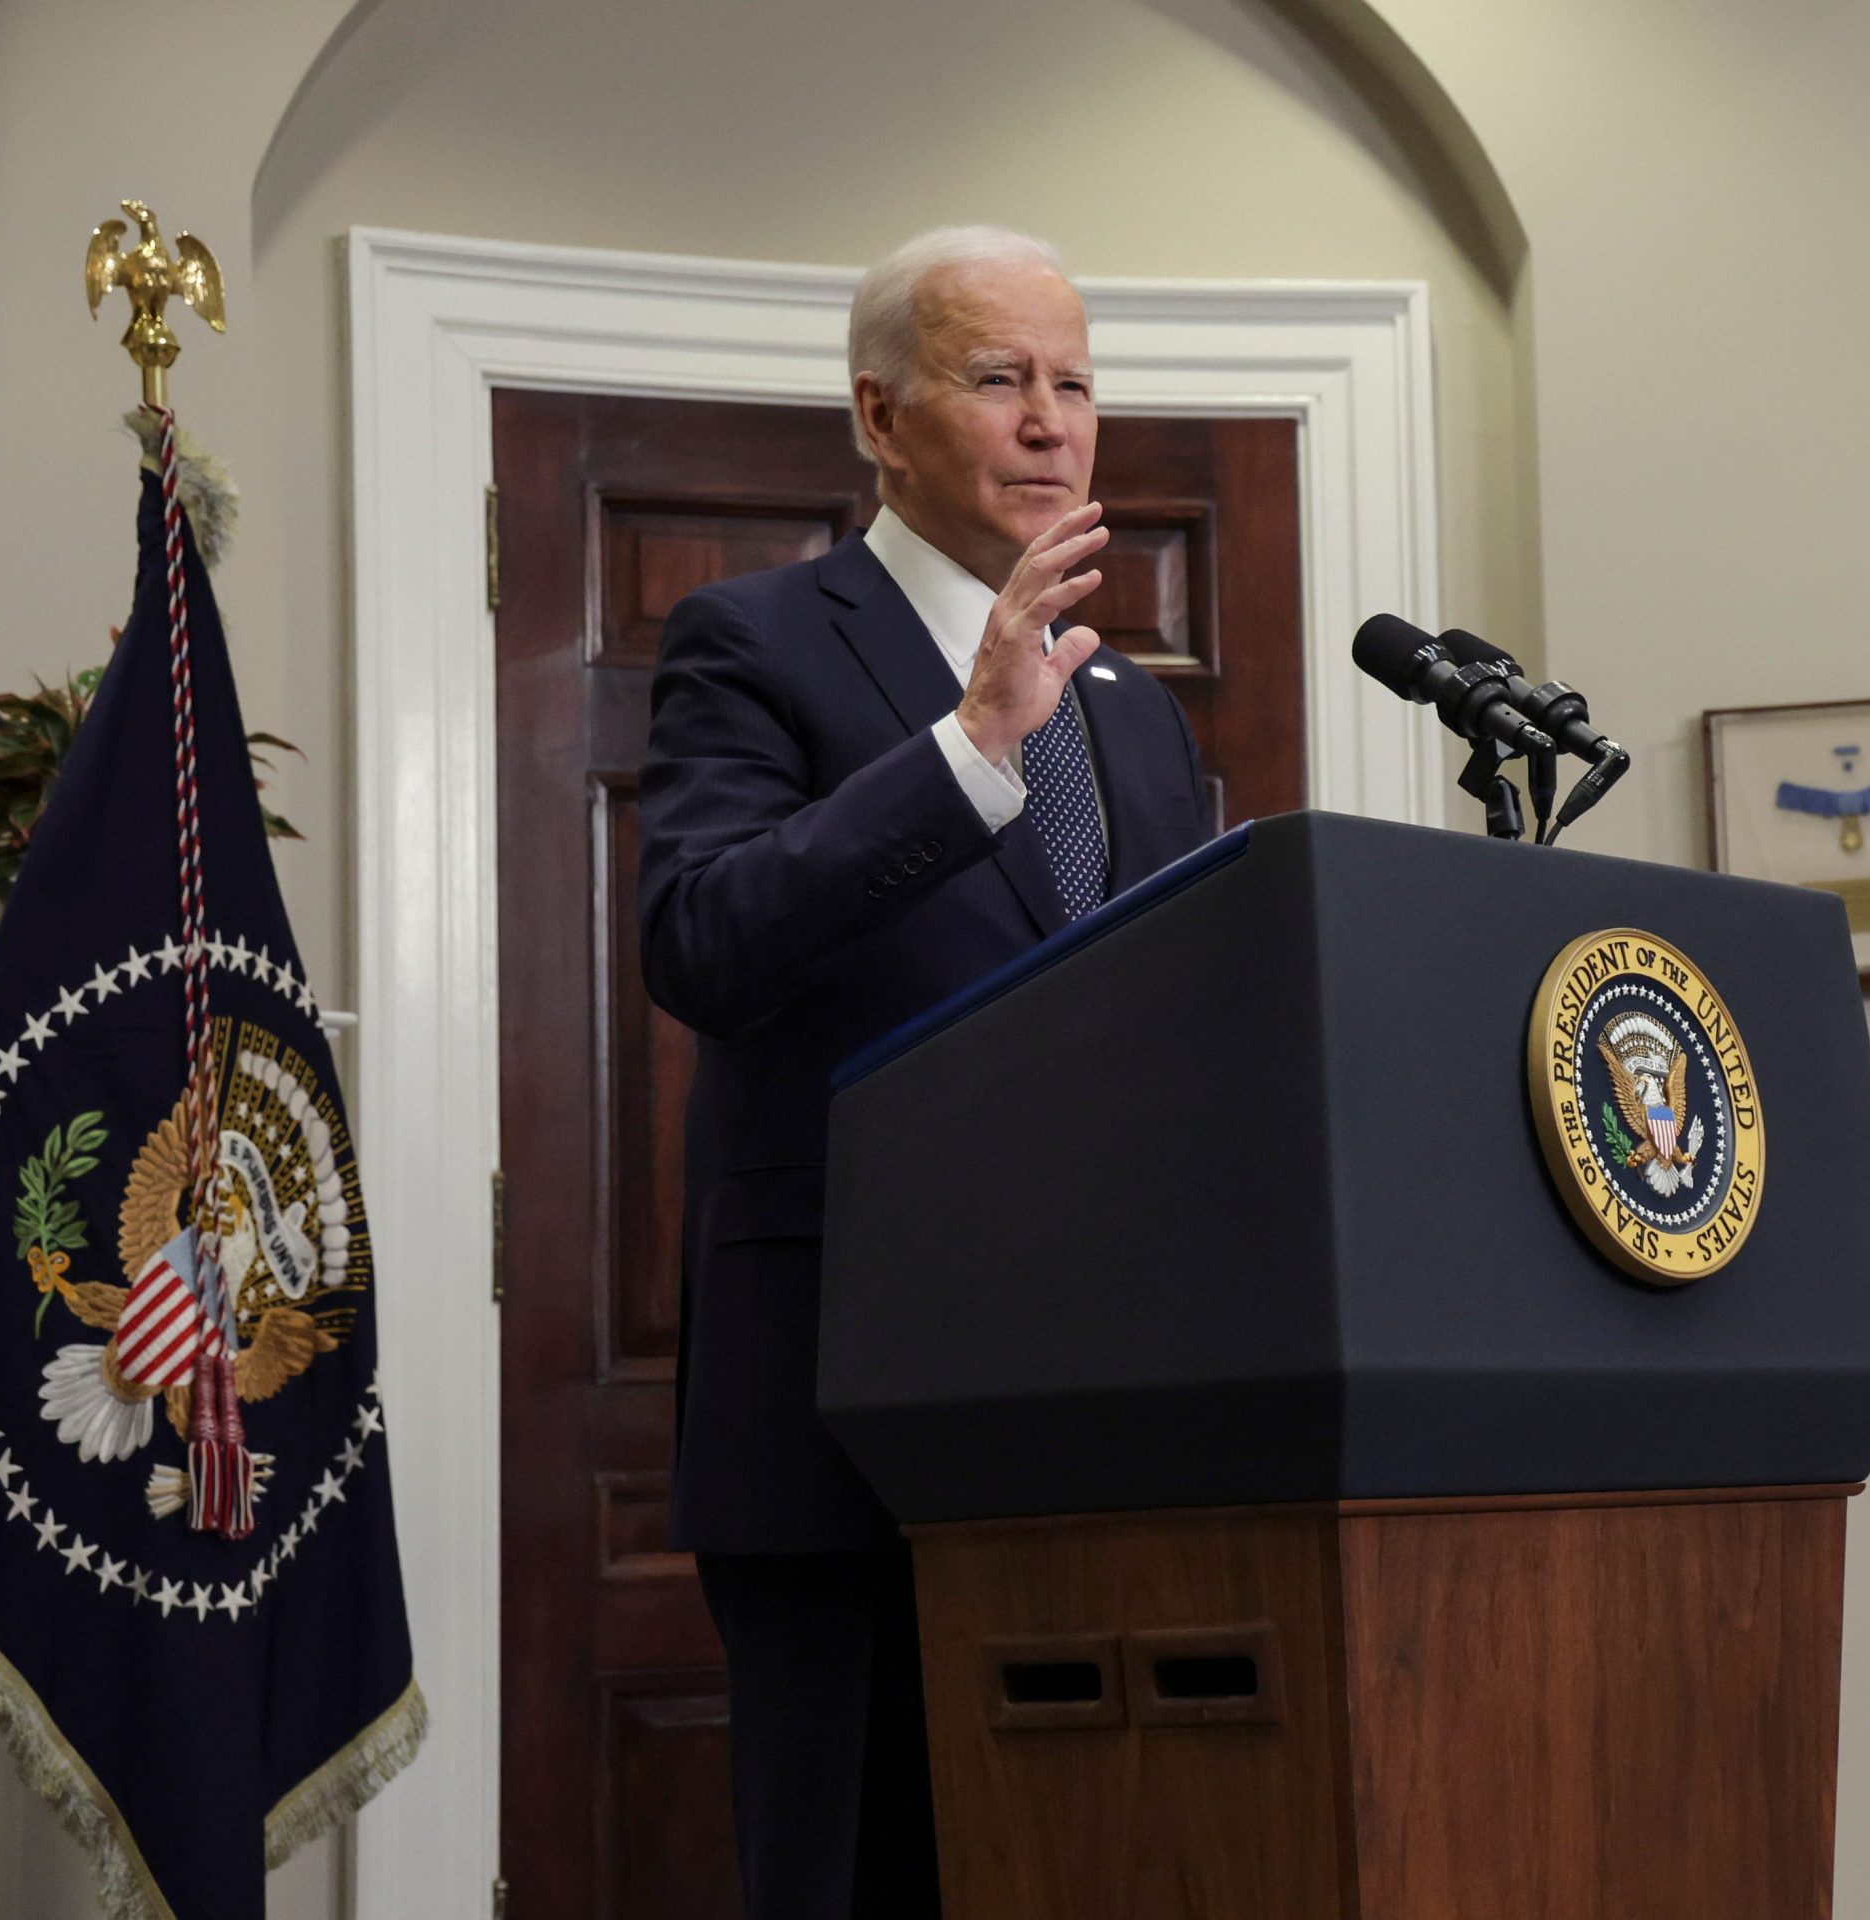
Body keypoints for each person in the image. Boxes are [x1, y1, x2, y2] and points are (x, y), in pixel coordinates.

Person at [635, 226, 1214, 1919]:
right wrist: (972, 748)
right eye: (999, 379)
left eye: (1076, 383)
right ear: (881, 417)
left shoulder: (1145, 722)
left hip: (1115, 1429)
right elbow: (702, 940)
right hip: (841, 1420)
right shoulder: (753, 643)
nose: (1052, 422)